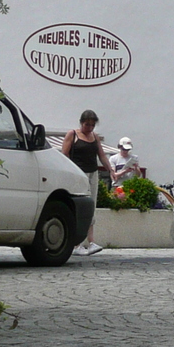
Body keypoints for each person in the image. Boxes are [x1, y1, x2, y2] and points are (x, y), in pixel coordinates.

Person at [63, 109, 116, 255]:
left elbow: (102, 155)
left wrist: (110, 170)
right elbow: (65, 154)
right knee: (79, 206)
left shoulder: (95, 137)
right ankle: (76, 244)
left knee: (91, 205)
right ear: (81, 123)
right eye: (87, 125)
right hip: (78, 174)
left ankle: (91, 241)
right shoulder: (72, 134)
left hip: (93, 173)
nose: (90, 128)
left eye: (92, 125)